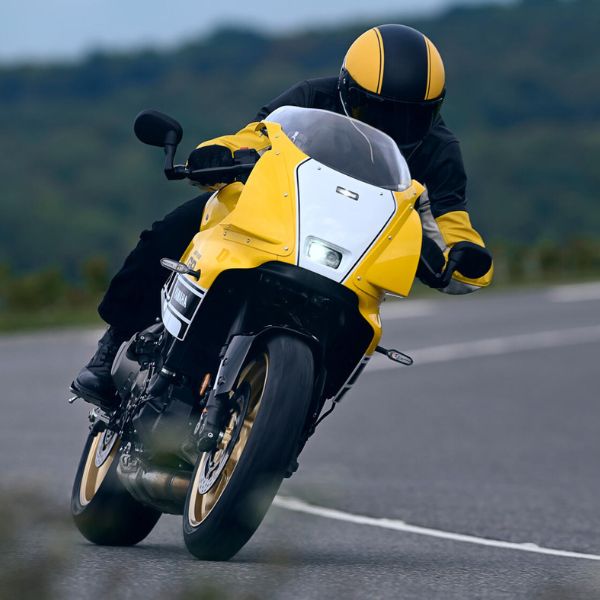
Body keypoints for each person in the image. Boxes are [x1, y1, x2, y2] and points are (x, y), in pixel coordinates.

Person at [72, 23, 493, 409]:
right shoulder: (312, 97)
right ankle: (111, 346)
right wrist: (219, 153)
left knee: (356, 324)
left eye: (412, 115)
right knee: (174, 230)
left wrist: (464, 254)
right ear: (348, 91)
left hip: (355, 252)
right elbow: (257, 135)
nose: (392, 126)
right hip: (281, 212)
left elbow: (451, 221)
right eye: (377, 111)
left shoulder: (440, 151)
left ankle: (293, 421)